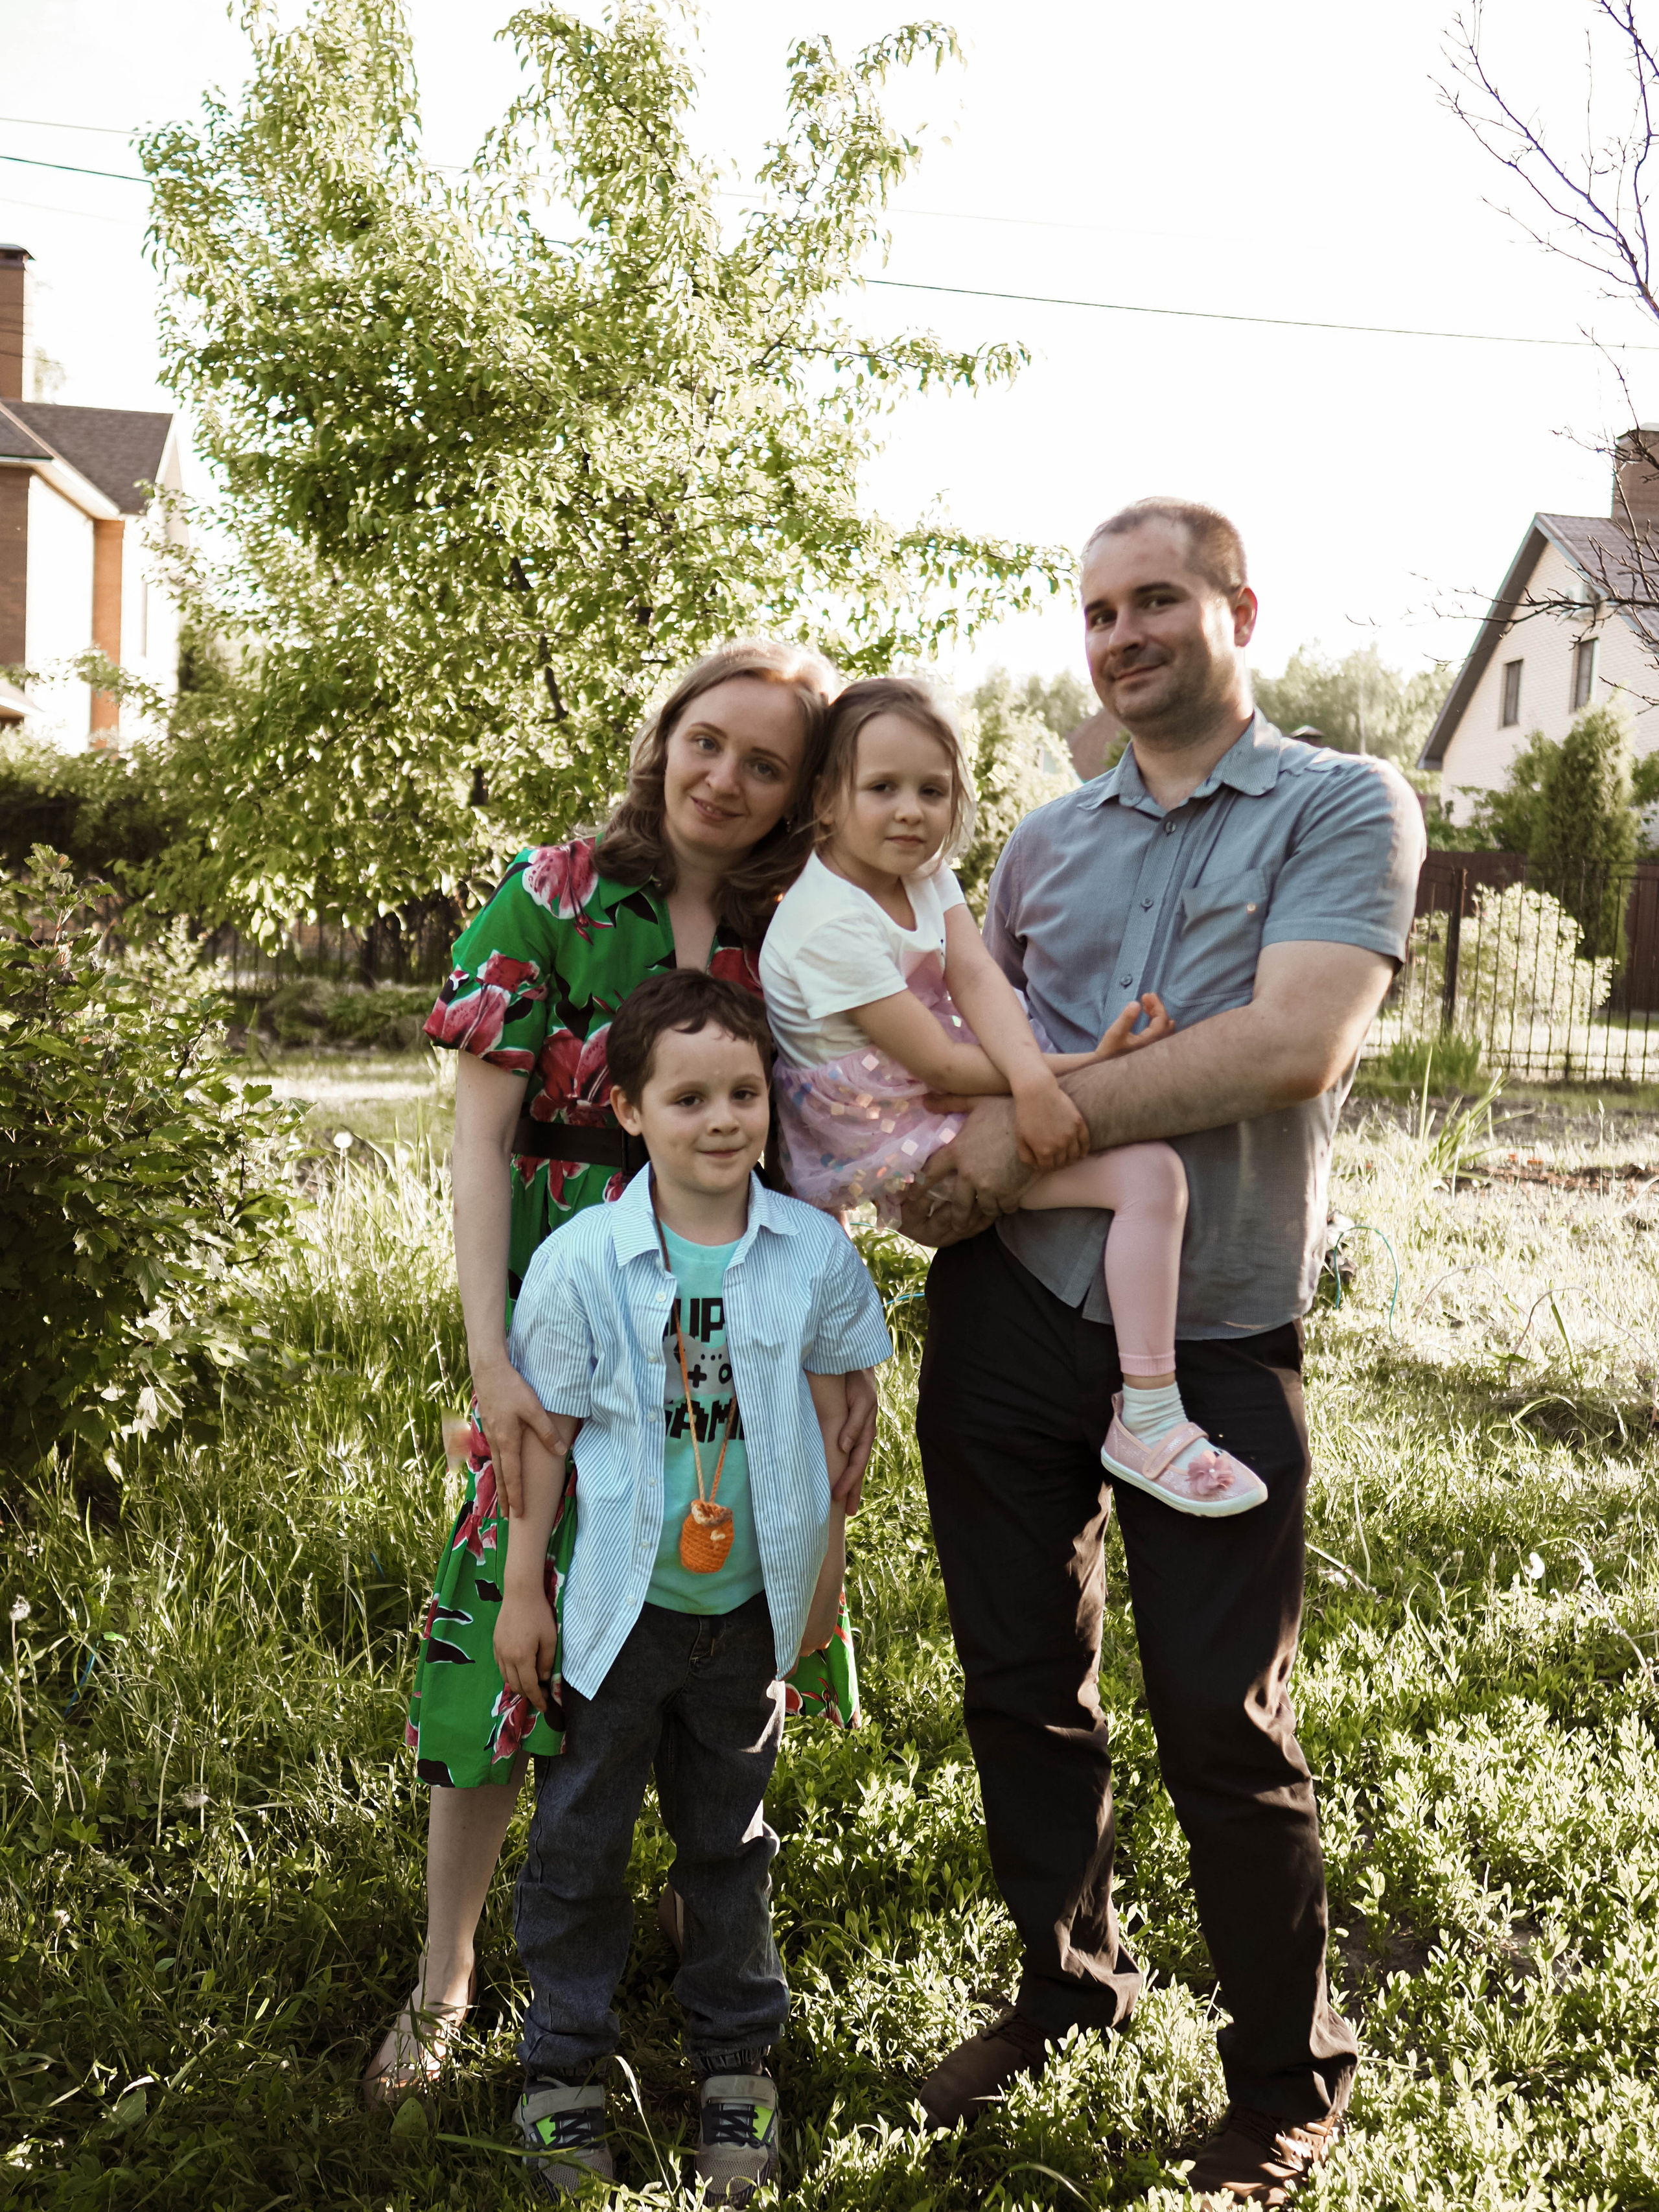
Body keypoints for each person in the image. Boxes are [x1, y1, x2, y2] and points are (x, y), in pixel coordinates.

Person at [899, 500, 1426, 2207]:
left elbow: (1293, 1041)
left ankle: (1284, 2077)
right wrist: (934, 1158)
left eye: (1155, 602)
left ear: (1239, 609)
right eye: (1098, 612)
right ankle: (1067, 1985)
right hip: (1004, 1317)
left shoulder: (1347, 804)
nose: (1120, 635)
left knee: (1221, 1709)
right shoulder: (1044, 842)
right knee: (1021, 1679)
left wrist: (1022, 1140)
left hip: (1207, 1334)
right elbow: (979, 1050)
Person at [364, 641, 881, 2102]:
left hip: (734, 1306)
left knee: (703, 1603)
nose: (724, 776)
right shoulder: (558, 887)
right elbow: (478, 1136)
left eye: (765, 761)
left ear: (800, 792)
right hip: (563, 1300)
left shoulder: (800, 921)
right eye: (704, 741)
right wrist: (489, 1354)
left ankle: (688, 1892)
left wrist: (842, 1360)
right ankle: (447, 1973)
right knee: (504, 1626)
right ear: (665, 740)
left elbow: (822, 1135)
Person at [496, 970, 892, 2200]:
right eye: (688, 1098)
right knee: (578, 1848)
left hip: (748, 1622)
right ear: (628, 1110)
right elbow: (544, 1445)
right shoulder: (578, 1264)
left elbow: (842, 1448)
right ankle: (563, 2071)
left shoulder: (814, 1256)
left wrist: (822, 1595)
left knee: (729, 1846)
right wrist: (524, 1596)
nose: (722, 1119)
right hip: (619, 1619)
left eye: (743, 1092)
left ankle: (736, 2063)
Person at [761, 674, 1267, 1517]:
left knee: (1143, 1172)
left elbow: (978, 980)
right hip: (882, 1134)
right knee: (1150, 1178)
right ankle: (1147, 1415)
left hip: (931, 1088)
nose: (911, 811)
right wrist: (1060, 1076)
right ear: (826, 797)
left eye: (932, 789)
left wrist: (1057, 1068)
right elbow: (945, 1070)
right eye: (882, 788)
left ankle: (1142, 1405)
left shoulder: (917, 870)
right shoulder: (825, 923)